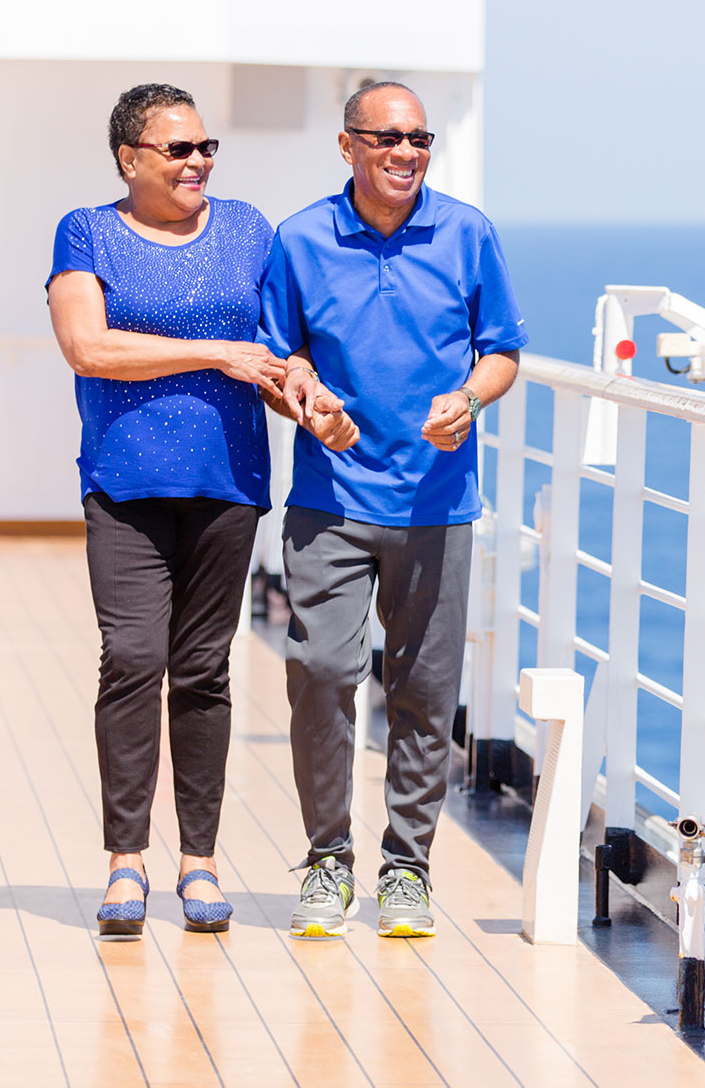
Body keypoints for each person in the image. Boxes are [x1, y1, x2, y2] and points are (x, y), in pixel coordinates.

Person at [46, 83, 349, 938]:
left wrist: (311, 401)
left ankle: (200, 861)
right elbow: (87, 346)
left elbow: (277, 355)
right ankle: (125, 861)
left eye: (206, 147)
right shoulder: (88, 231)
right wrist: (215, 349)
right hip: (124, 482)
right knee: (134, 656)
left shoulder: (249, 229)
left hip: (228, 481)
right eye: (177, 149)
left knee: (205, 668)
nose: (197, 162)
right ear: (130, 158)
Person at [261, 80, 527, 939]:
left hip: (437, 503)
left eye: (419, 140)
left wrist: (470, 399)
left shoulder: (467, 233)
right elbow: (280, 358)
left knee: (422, 690)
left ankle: (407, 868)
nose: (406, 154)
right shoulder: (299, 239)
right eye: (388, 139)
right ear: (348, 146)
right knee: (324, 675)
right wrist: (308, 400)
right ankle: (328, 860)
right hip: (327, 500)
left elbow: (501, 352)